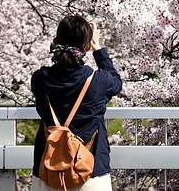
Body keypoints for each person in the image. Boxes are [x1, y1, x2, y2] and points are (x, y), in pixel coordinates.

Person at [31, 14, 123, 191]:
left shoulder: (40, 79)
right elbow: (116, 82)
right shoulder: (98, 82)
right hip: (91, 174)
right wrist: (98, 49)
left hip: (48, 173)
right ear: (87, 46)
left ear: (55, 41)